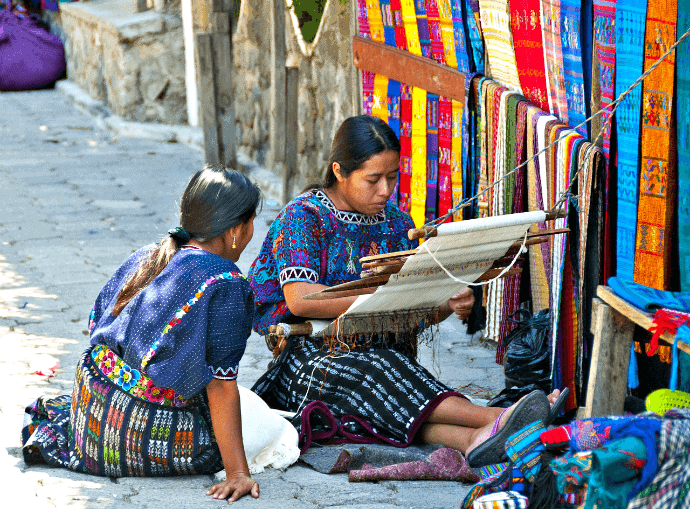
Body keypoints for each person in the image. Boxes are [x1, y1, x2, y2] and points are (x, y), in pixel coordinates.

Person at [249, 115, 561, 457]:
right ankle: (502, 417)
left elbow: (417, 312)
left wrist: (448, 302)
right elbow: (302, 301)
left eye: (392, 177)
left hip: (385, 356)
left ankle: (473, 439)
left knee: (384, 389)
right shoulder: (303, 218)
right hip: (310, 358)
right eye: (373, 179)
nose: (385, 189)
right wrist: (382, 293)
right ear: (339, 172)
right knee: (375, 372)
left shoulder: (397, 223)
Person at [21, 166, 262, 503]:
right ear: (237, 230)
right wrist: (237, 472)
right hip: (138, 428)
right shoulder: (227, 282)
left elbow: (97, 323)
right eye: (252, 225)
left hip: (91, 410)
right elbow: (221, 387)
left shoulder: (149, 255)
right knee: (250, 429)